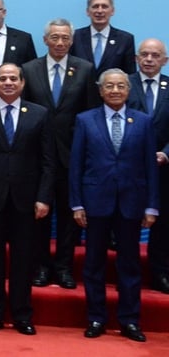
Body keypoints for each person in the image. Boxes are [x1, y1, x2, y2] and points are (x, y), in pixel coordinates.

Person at [0, 63, 55, 335]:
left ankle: (22, 315)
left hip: (27, 202)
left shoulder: (39, 114)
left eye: (13, 78)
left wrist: (43, 197)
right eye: (2, 78)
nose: (7, 83)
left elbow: (49, 162)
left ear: (22, 83)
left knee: (23, 260)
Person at [71, 69, 159, 343]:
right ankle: (96, 317)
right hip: (96, 202)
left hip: (131, 203)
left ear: (128, 90)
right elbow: (76, 166)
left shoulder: (143, 122)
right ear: (100, 90)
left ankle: (130, 320)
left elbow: (150, 168)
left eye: (121, 86)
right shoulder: (85, 120)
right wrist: (76, 204)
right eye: (109, 86)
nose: (115, 90)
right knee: (94, 264)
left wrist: (152, 207)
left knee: (129, 264)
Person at [21, 18, 99, 290]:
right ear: (45, 40)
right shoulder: (28, 70)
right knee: (39, 216)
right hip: (36, 158)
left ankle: (64, 267)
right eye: (55, 37)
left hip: (72, 156)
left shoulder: (86, 69)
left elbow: (91, 114)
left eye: (65, 38)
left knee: (69, 216)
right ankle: (41, 266)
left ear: (71, 40)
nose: (60, 42)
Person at [127, 39, 169, 293]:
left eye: (155, 55)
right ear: (136, 58)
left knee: (163, 224)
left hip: (164, 168)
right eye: (145, 54)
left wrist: (165, 154)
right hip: (128, 167)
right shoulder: (122, 85)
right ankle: (127, 274)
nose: (149, 59)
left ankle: (160, 273)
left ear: (164, 60)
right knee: (127, 222)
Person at [70, 0, 136, 75]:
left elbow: (130, 75)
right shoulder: (75, 37)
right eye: (95, 6)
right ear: (87, 11)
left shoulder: (125, 40)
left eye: (104, 6)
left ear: (112, 11)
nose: (100, 11)